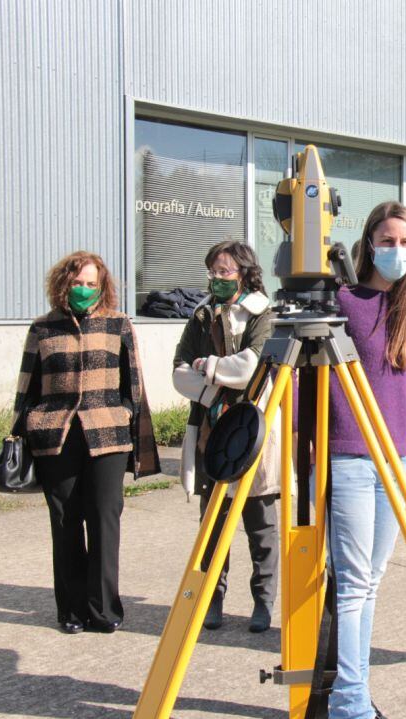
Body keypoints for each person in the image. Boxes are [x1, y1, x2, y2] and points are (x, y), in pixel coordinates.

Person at [327, 201, 406, 719]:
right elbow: (314, 370)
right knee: (352, 585)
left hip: (398, 456)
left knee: (370, 582)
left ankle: (351, 689)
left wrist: (400, 383)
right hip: (349, 455)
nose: (399, 250)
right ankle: (349, 703)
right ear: (370, 242)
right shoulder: (342, 298)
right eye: (389, 240)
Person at [13, 251, 160, 635]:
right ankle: (71, 610)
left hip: (106, 434)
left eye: (90, 283)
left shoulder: (118, 324)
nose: (83, 289)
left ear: (102, 286)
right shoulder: (43, 328)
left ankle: (104, 609)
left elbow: (134, 383)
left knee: (104, 519)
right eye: (77, 282)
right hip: (55, 435)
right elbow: (26, 385)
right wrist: (23, 428)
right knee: (65, 522)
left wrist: (126, 415)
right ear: (64, 284)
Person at [172, 240, 281, 634]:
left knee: (261, 525)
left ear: (244, 273)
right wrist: (214, 382)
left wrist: (209, 367)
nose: (217, 278)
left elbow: (252, 366)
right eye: (213, 271)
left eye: (225, 271)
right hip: (210, 429)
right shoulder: (201, 316)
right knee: (213, 523)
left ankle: (263, 602)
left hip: (253, 427)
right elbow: (179, 371)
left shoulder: (261, 312)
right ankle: (212, 598)